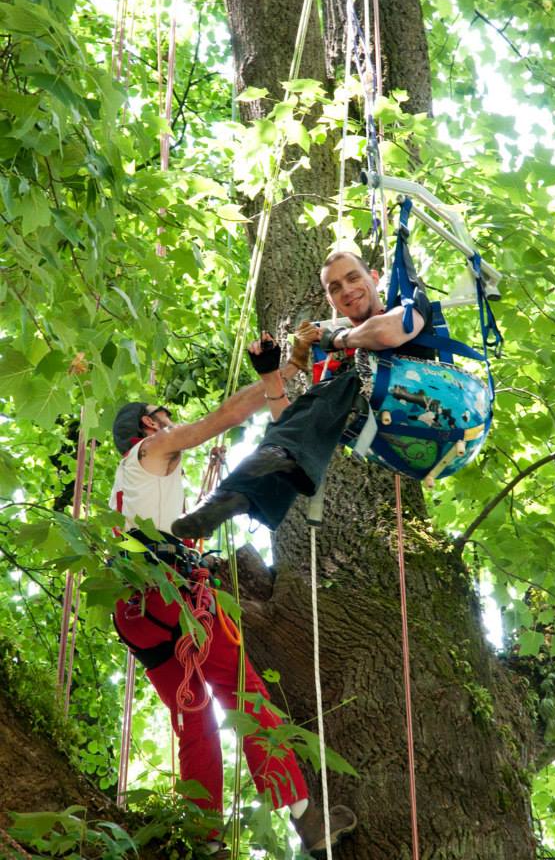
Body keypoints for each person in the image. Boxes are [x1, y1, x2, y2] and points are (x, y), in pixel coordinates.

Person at [109, 339, 357, 858]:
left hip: (136, 607)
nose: (171, 420)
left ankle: (207, 841)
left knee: (193, 719)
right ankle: (306, 817)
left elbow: (162, 526)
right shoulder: (149, 451)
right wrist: (284, 369)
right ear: (149, 428)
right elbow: (224, 416)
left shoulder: (137, 482)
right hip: (171, 592)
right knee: (244, 698)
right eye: (164, 416)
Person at [171, 251, 432, 539]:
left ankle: (244, 486)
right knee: (294, 443)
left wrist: (335, 338)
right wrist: (272, 376)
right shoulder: (342, 367)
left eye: (353, 278)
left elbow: (388, 334)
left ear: (373, 278)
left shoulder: (408, 304)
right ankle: (237, 498)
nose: (346, 290)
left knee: (344, 386)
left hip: (428, 406)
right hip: (381, 425)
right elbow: (298, 428)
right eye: (335, 288)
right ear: (331, 301)